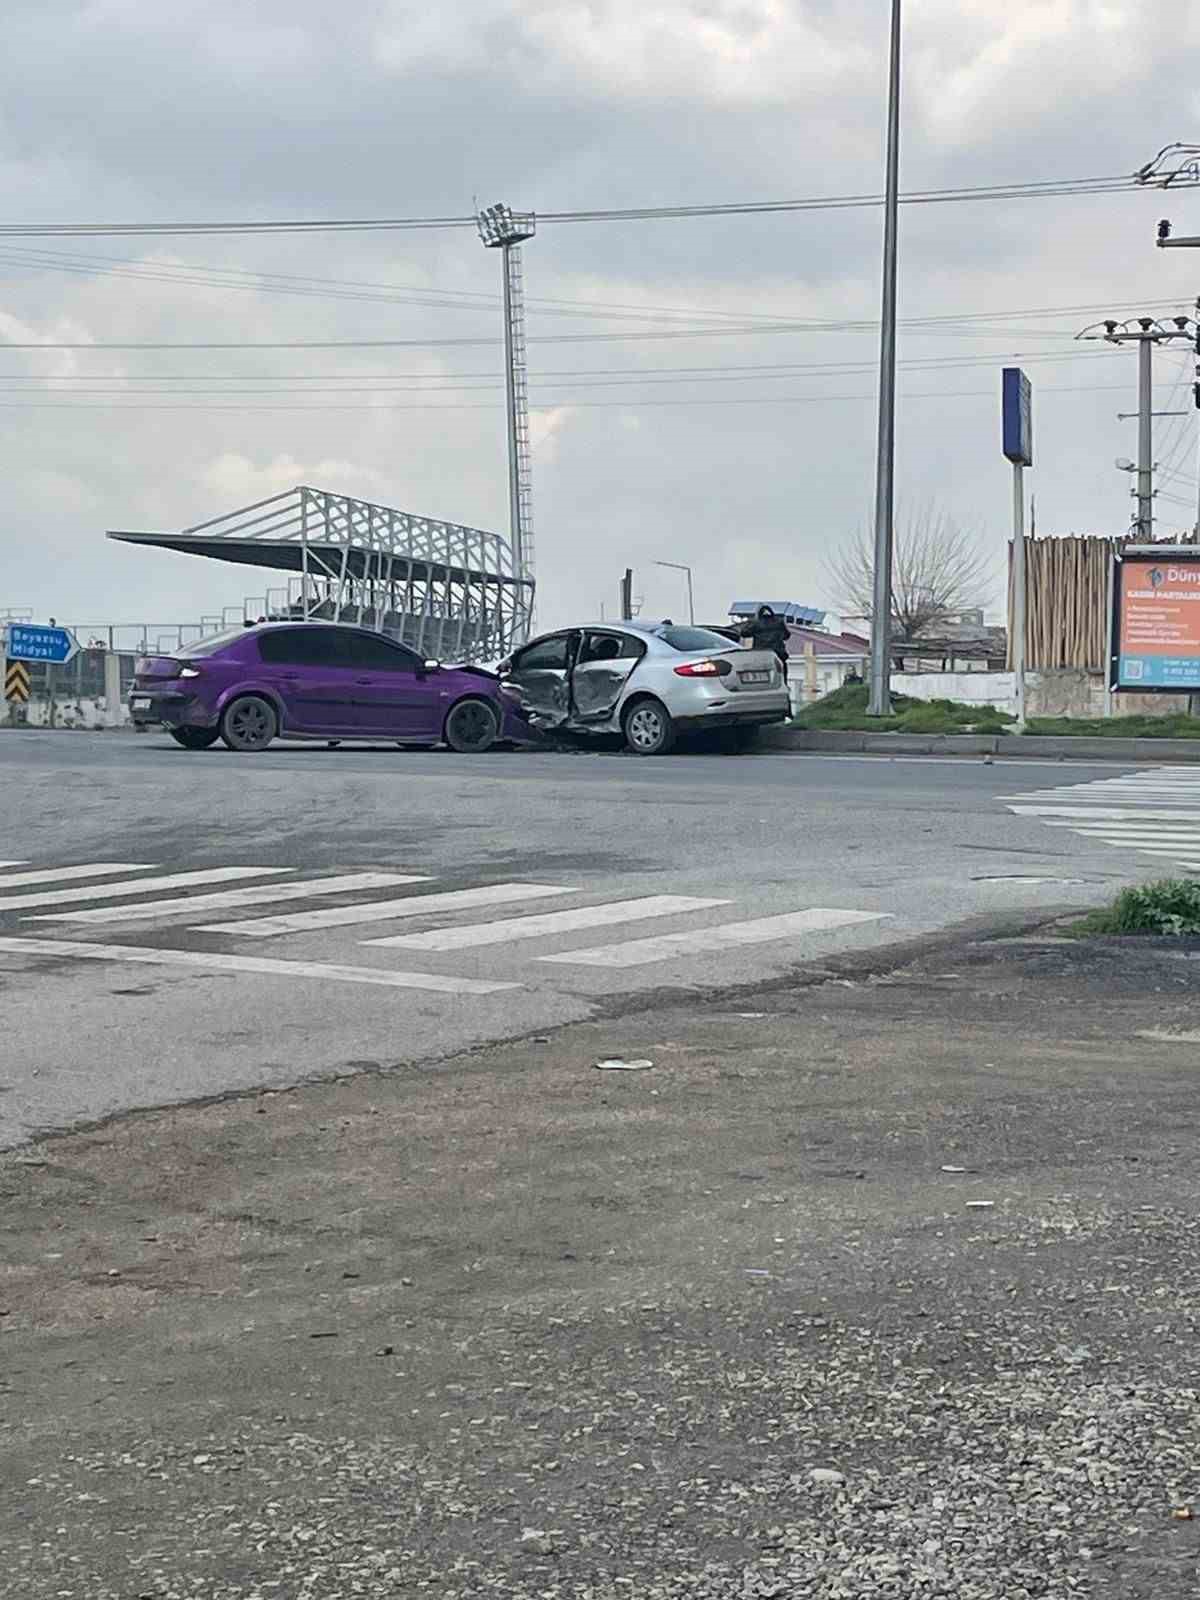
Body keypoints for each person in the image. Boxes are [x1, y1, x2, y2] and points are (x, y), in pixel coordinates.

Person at [739, 605, 790, 679]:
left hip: (761, 653)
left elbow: (743, 633)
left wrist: (750, 622)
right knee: (782, 673)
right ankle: (784, 685)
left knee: (761, 674)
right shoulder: (779, 622)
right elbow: (787, 635)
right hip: (778, 653)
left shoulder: (755, 623)